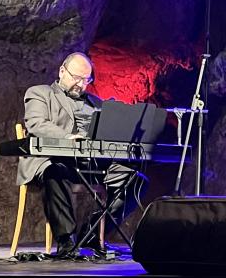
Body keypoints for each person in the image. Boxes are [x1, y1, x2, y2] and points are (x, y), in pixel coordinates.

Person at [16, 52, 140, 257]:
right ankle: (66, 241)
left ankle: (91, 234)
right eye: (76, 78)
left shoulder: (96, 103)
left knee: (135, 179)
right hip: (53, 161)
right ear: (62, 71)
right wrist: (67, 137)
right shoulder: (40, 93)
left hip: (90, 165)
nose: (81, 84)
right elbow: (37, 124)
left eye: (86, 80)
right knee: (54, 172)